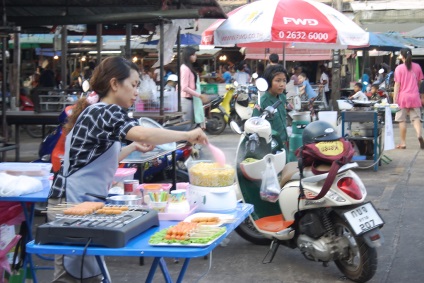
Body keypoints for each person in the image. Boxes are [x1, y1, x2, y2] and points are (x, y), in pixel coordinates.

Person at [48, 56, 208, 283]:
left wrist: (132, 147)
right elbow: (142, 131)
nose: (136, 92)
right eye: (133, 85)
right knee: (72, 275)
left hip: (85, 202)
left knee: (87, 274)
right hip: (71, 203)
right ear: (115, 84)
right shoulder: (103, 111)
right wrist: (187, 134)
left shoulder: (101, 111)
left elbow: (96, 159)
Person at [393, 48, 424, 149]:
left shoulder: (399, 68)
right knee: (416, 118)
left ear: (402, 56)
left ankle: (403, 143)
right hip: (415, 96)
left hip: (402, 97)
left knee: (402, 120)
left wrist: (394, 98)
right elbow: (420, 82)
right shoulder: (417, 66)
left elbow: (397, 84)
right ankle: (419, 135)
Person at [252, 64, 288, 150]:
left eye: (284, 81)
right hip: (271, 147)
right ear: (268, 82)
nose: (282, 84)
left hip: (284, 144)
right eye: (278, 81)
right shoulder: (262, 103)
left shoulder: (282, 97)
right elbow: (254, 127)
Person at [180, 46, 209, 127]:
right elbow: (184, 87)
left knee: (192, 124)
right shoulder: (185, 68)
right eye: (194, 54)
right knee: (188, 125)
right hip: (186, 100)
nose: (195, 56)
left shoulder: (188, 68)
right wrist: (199, 95)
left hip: (190, 99)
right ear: (188, 55)